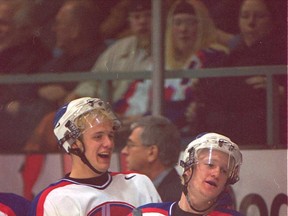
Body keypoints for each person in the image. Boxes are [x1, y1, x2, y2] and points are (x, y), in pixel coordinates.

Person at [29, 97, 161, 215]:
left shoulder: (139, 184)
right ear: (74, 143)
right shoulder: (54, 200)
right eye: (98, 137)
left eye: (110, 135)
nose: (109, 143)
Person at [113, 0, 228, 133]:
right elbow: (133, 95)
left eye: (190, 23)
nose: (183, 29)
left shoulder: (214, 58)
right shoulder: (160, 62)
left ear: (203, 26)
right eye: (178, 23)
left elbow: (189, 107)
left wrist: (144, 118)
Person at [186, 0, 287, 145]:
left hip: (266, 142)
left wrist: (283, 93)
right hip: (225, 142)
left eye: (259, 16)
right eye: (245, 16)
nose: (251, 22)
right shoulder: (229, 58)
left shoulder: (282, 55)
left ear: (273, 20)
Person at [128, 132, 243, 216]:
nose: (217, 173)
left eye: (224, 171)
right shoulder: (145, 214)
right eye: (210, 164)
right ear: (188, 169)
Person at [65, 0, 152, 105]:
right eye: (137, 17)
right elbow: (94, 81)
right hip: (114, 113)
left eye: (148, 16)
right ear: (130, 21)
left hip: (146, 114)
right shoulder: (119, 48)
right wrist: (79, 95)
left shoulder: (170, 49)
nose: (142, 21)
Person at [0, 1, 51, 152]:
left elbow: (16, 93)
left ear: (23, 28)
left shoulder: (34, 54)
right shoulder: (6, 51)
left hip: (18, 128)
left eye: (3, 23)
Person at [121, 115, 182, 202]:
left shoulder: (176, 199)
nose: (124, 151)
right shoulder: (144, 189)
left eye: (131, 145)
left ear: (152, 153)